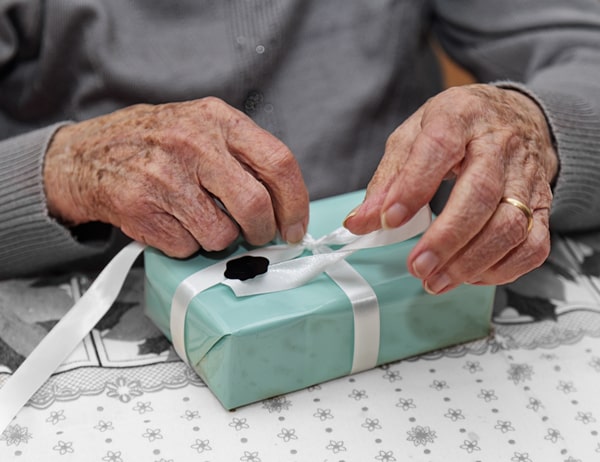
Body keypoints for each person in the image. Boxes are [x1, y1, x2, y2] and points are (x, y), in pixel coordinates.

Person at [1, 1, 599, 296]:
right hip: (92, 302)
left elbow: (581, 47)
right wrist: (68, 169)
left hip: (410, 292)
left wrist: (531, 126)